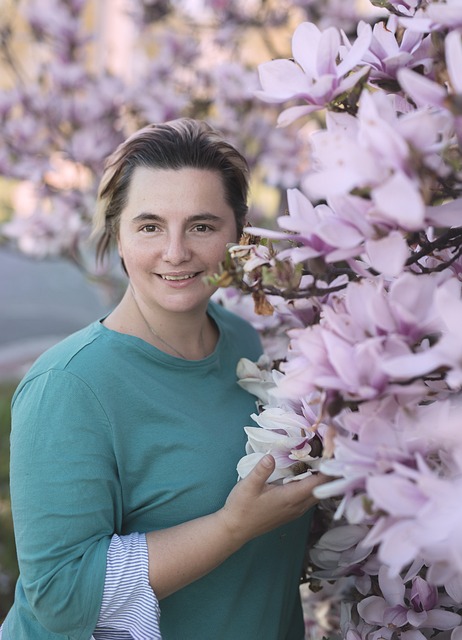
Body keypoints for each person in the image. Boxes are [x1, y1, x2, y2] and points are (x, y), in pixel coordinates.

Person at [1, 118, 325, 640]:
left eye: (202, 225)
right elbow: (59, 597)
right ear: (118, 234)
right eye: (150, 225)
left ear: (236, 235)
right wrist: (231, 528)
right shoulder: (68, 387)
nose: (176, 252)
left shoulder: (241, 339)